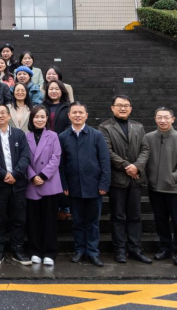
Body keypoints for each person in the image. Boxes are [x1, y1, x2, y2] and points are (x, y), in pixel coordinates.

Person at [99, 95, 153, 264]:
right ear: (112, 108)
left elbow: (145, 149)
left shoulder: (138, 126)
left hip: (136, 179)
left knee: (135, 216)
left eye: (126, 105)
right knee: (118, 216)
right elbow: (107, 151)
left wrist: (137, 166)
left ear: (130, 108)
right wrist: (127, 167)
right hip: (117, 179)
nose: (123, 108)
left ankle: (135, 249)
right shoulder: (105, 127)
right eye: (119, 105)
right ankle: (120, 250)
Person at [59, 102, 111, 267]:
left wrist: (104, 183)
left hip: (94, 187)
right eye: (74, 113)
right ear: (69, 116)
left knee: (93, 222)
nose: (77, 115)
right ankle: (80, 250)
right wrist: (64, 185)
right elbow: (61, 164)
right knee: (77, 222)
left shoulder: (96, 135)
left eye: (81, 112)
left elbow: (105, 161)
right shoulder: (63, 137)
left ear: (86, 115)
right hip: (74, 187)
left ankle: (93, 252)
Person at [145, 107, 177, 267]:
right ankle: (165, 248)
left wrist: (173, 178)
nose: (163, 120)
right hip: (155, 189)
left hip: (175, 190)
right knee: (160, 221)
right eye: (159, 117)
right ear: (155, 119)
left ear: (172, 119)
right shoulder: (148, 138)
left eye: (166, 117)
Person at [0, 104, 31, 266]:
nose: (0, 116)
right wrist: (3, 174)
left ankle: (17, 250)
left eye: (3, 113)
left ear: (9, 116)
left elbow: (26, 156)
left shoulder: (19, 134)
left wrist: (15, 174)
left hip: (18, 183)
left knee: (18, 218)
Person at [26, 105, 63, 267]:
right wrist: (32, 176)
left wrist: (42, 175)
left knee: (50, 220)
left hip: (49, 182)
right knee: (33, 220)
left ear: (47, 119)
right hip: (32, 183)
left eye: (42, 116)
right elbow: (23, 159)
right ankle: (35, 251)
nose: (39, 119)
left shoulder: (53, 136)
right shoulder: (25, 136)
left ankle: (49, 252)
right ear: (31, 119)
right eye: (36, 117)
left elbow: (56, 157)